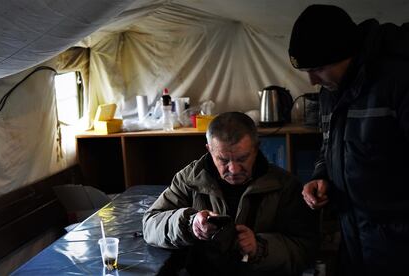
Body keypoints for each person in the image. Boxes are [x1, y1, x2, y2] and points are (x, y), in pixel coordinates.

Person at [288, 4, 409, 276]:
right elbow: (329, 145)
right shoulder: (332, 91)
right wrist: (322, 176)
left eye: (317, 68)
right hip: (355, 234)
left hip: (399, 242)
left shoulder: (398, 81)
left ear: (346, 54)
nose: (311, 81)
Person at [143, 112, 319, 276]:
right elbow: (150, 225)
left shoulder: (284, 186)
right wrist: (189, 224)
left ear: (257, 148)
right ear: (209, 150)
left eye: (242, 158)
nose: (233, 169)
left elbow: (306, 249)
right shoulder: (189, 180)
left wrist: (260, 248)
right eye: (223, 160)